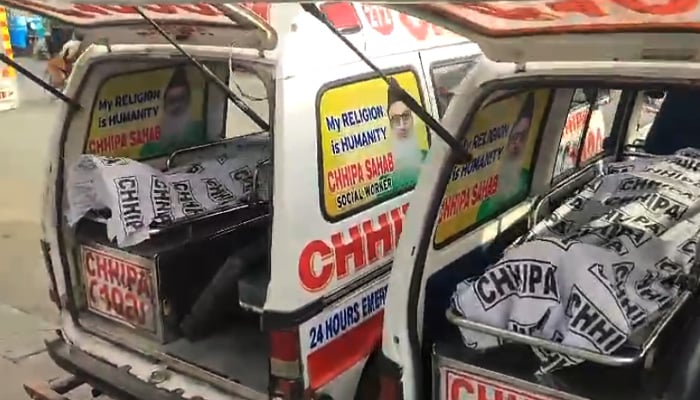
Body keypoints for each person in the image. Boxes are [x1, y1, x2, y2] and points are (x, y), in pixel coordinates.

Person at [478, 92, 535, 219]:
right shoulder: (486, 188)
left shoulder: (530, 179)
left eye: (523, 138)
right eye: (514, 137)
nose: (517, 145)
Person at [140, 66, 205, 157]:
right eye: (172, 101)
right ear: (164, 104)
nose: (177, 105)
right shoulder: (150, 146)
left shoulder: (200, 131)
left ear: (189, 100)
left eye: (181, 99)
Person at [386, 89, 428, 193]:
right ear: (390, 126)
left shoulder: (431, 159)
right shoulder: (386, 182)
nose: (402, 126)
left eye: (405, 117)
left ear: (413, 119)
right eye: (396, 120)